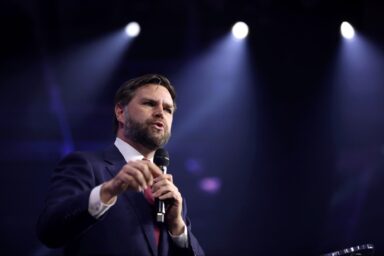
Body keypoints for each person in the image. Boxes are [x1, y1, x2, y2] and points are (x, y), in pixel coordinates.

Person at [37, 74, 205, 256]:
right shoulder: (86, 165)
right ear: (120, 112)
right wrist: (108, 190)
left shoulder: (170, 193)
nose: (160, 112)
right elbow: (49, 231)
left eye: (168, 109)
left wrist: (177, 227)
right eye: (149, 103)